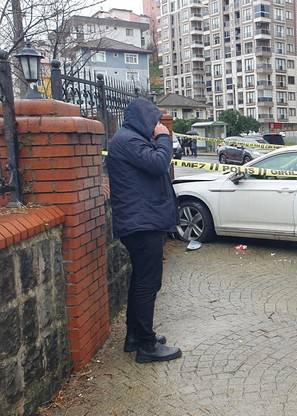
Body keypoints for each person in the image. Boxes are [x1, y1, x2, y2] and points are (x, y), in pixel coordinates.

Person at [106, 98, 182, 363]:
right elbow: (159, 164)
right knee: (148, 283)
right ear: (143, 119)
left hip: (142, 221)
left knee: (141, 281)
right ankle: (147, 347)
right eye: (155, 122)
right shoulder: (127, 140)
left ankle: (135, 337)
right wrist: (164, 138)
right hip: (142, 223)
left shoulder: (128, 138)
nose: (157, 127)